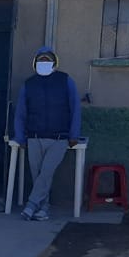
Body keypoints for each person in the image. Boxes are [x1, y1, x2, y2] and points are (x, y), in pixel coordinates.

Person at [12, 46, 81, 221]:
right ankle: (43, 209)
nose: (44, 63)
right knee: (38, 176)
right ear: (35, 63)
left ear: (54, 63)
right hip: (34, 137)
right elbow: (21, 113)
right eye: (41, 60)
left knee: (46, 173)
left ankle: (30, 206)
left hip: (59, 138)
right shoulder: (29, 84)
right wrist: (20, 137)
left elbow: (75, 109)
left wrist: (74, 134)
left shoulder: (65, 81)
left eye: (47, 60)